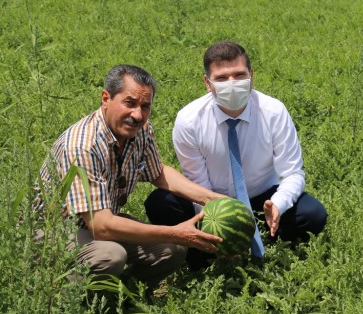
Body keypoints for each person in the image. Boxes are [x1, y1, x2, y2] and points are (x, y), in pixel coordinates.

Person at [36, 65, 225, 289]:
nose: (137, 115)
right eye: (130, 103)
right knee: (111, 255)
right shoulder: (82, 146)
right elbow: (101, 226)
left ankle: (124, 298)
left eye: (145, 106)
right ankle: (67, 306)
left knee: (172, 249)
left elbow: (159, 173)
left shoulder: (140, 129)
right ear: (106, 98)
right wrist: (176, 232)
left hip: (99, 220)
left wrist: (211, 199)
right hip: (52, 230)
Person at [145, 40, 327, 268]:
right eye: (221, 78)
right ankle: (202, 253)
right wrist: (218, 225)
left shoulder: (273, 112)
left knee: (313, 214)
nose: (232, 83)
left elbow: (293, 173)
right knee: (160, 203)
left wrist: (278, 205)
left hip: (263, 195)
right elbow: (197, 181)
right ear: (207, 83)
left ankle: (268, 240)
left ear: (252, 75)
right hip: (210, 197)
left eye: (239, 75)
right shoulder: (189, 120)